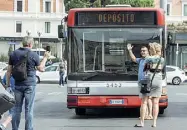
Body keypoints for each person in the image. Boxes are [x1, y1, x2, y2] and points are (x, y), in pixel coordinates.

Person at [6, 36, 50, 130]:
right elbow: (41, 69)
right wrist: (45, 57)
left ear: (23, 43)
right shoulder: (34, 55)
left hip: (17, 85)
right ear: (30, 44)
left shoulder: (13, 54)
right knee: (28, 109)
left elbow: (9, 71)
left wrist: (8, 85)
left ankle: (15, 128)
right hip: (30, 85)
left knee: (17, 109)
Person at [134, 42, 165, 127]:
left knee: (144, 102)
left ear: (152, 50)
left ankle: (142, 123)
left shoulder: (148, 59)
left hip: (149, 80)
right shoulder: (162, 59)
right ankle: (154, 123)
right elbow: (161, 69)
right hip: (158, 80)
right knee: (156, 103)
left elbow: (145, 70)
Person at [127, 44, 153, 120]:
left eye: (144, 51)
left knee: (148, 98)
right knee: (144, 99)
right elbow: (134, 59)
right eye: (141, 51)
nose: (142, 52)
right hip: (141, 82)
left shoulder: (150, 59)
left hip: (147, 81)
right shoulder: (141, 60)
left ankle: (150, 115)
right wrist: (129, 50)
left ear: (148, 52)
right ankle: (146, 115)